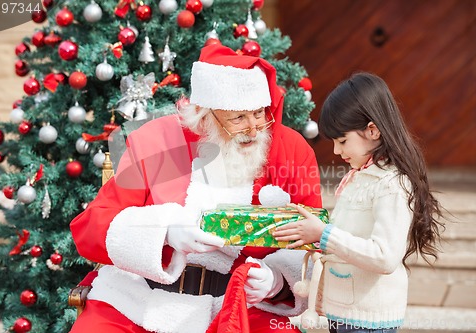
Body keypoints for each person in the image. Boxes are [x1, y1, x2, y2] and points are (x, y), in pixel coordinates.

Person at [69, 44, 323, 333]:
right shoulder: (157, 140)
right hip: (135, 300)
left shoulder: (288, 150)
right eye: (238, 118)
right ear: (204, 115)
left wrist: (277, 279)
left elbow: (312, 241)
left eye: (259, 114)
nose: (254, 129)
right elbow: (92, 227)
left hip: (236, 305)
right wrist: (164, 233)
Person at [273, 72, 443, 333]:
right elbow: (350, 236)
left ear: (372, 130)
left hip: (367, 320)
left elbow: (385, 257)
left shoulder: (391, 184)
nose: (336, 151)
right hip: (345, 311)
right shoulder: (362, 175)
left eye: (342, 141)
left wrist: (325, 234)